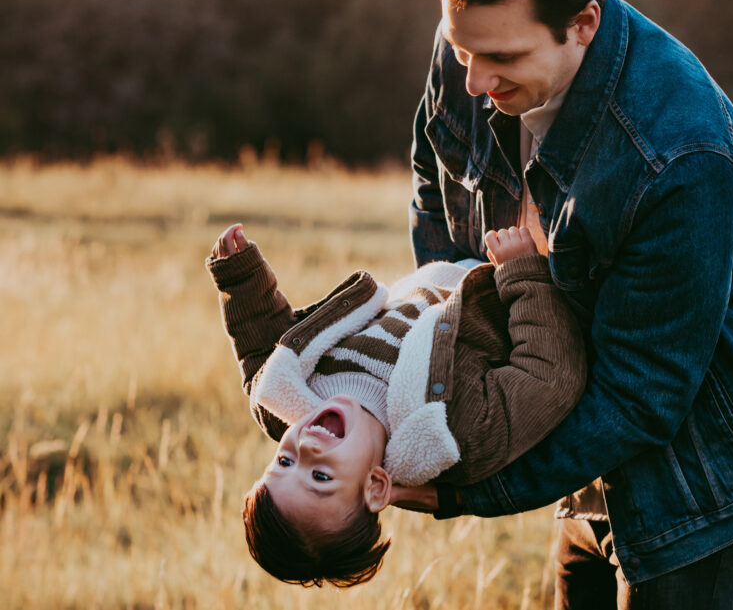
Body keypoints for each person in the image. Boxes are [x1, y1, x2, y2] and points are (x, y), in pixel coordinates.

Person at [398, 0, 733, 608]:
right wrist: (464, 336)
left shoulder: (678, 149)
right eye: (461, 50)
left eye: (500, 57)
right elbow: (433, 172)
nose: (474, 80)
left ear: (583, 23)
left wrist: (468, 489)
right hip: (581, 427)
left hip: (702, 476)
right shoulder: (476, 40)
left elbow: (641, 393)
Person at [206, 223, 586, 587]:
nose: (303, 447)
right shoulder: (452, 431)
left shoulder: (287, 402)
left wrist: (240, 279)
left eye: (283, 463)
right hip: (506, 269)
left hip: (441, 262)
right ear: (374, 486)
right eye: (320, 477)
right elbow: (548, 378)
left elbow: (261, 350)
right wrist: (522, 274)